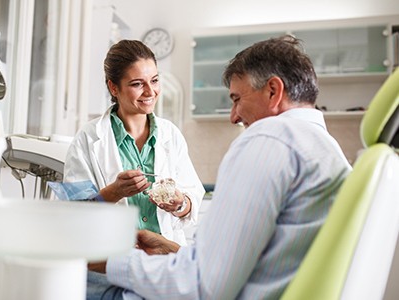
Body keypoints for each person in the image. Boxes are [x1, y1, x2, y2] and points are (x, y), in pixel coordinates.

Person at [86, 35, 352, 299]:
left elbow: (202, 285)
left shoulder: (268, 139)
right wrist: (172, 250)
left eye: (237, 99)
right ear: (114, 88)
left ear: (273, 91)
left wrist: (111, 262)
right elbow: (245, 263)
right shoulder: (326, 148)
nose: (233, 116)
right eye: (137, 84)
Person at [63, 39, 205, 246]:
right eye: (137, 84)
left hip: (165, 260)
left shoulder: (170, 135)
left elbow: (193, 199)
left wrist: (180, 203)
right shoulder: (88, 138)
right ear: (114, 88)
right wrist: (114, 191)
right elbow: (73, 213)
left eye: (155, 80)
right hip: (111, 259)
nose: (150, 92)